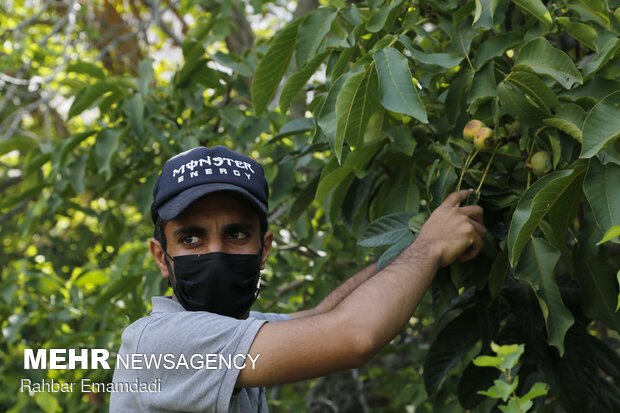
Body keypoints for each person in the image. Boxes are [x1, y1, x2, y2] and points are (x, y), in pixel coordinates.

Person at [110, 145, 486, 412]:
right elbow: (353, 335)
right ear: (161, 256)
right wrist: (430, 247)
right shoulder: (160, 343)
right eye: (191, 238)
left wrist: (423, 242)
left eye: (237, 235)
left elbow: (326, 312)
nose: (215, 251)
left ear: (265, 249)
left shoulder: (236, 330)